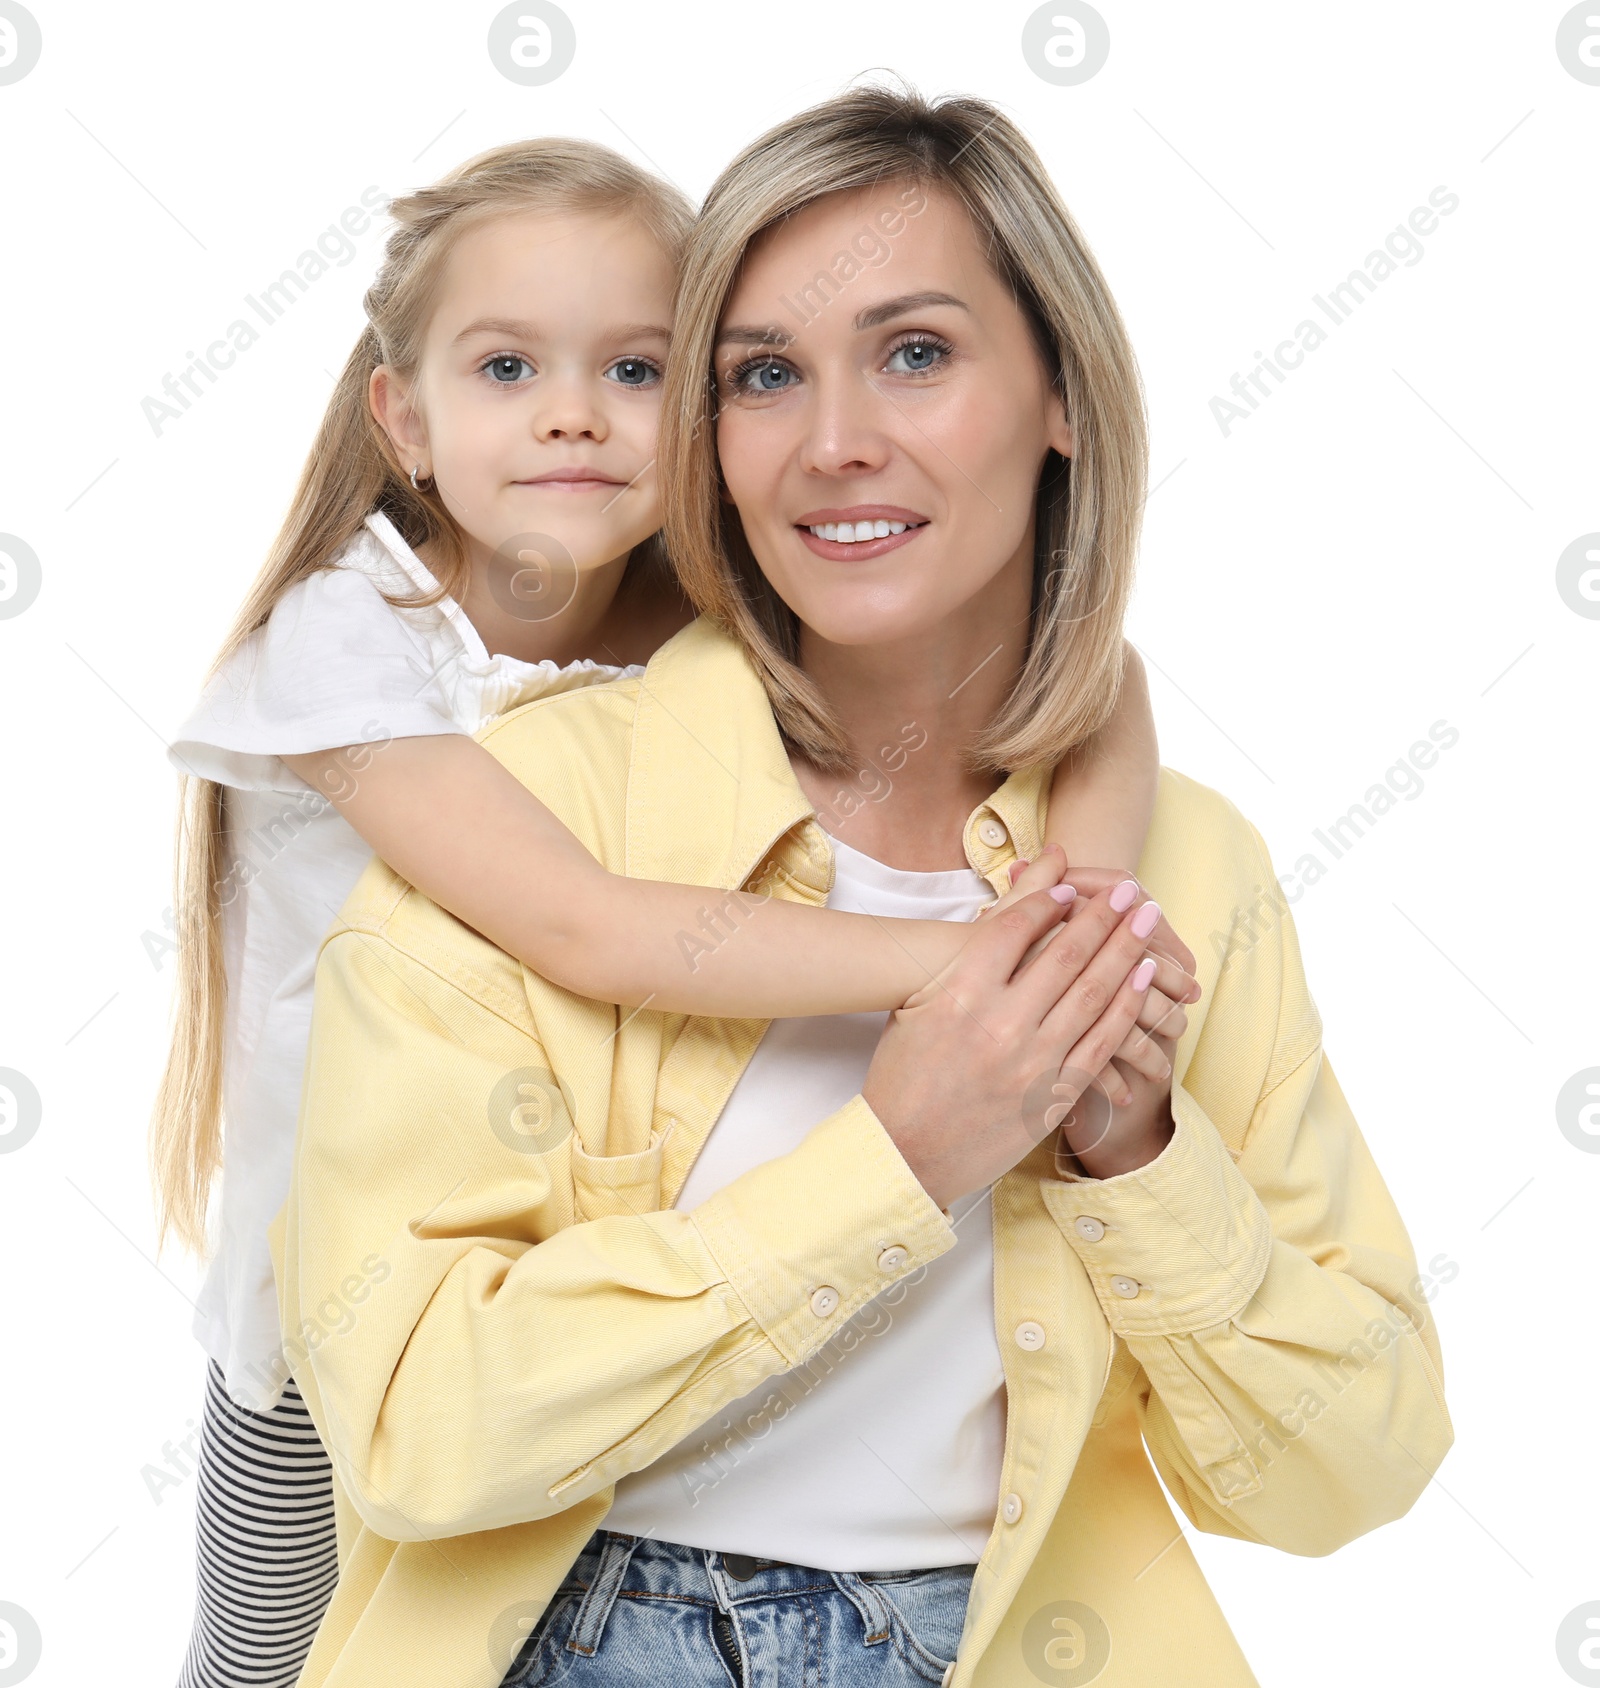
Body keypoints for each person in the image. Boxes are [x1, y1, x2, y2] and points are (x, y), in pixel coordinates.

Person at [274, 86, 1452, 1687]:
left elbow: (1354, 1470)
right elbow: (411, 1426)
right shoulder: (530, 814)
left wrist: (1136, 1155)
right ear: (714, 439)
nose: (835, 442)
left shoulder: (1187, 866)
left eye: (915, 351)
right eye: (765, 374)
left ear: (1060, 394)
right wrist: (898, 1161)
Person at [153, 135, 1169, 1688]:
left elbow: (1092, 678)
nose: (572, 412)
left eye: (634, 367)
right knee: (271, 1662)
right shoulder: (341, 645)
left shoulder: (692, 630)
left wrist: (1083, 912)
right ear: (405, 421)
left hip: (587, 1272)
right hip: (331, 1306)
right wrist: (979, 969)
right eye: (508, 368)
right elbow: (587, 926)